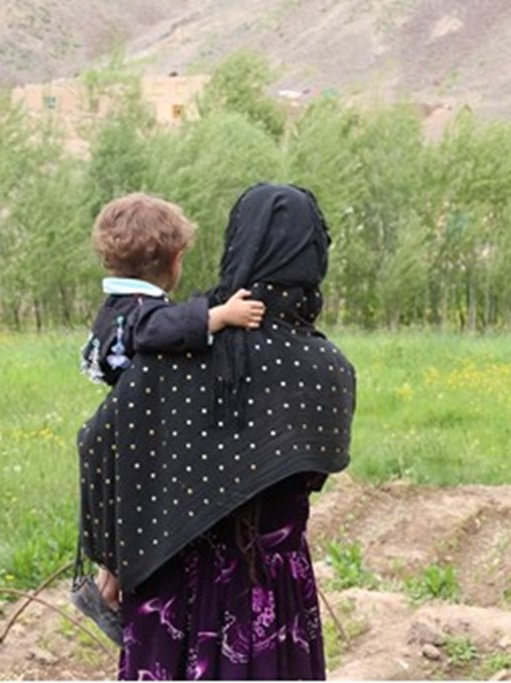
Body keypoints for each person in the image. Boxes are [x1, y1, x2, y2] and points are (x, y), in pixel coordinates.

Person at [76, 183, 356, 679]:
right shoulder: (330, 369)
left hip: (169, 578)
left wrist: (113, 559)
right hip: (274, 593)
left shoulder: (175, 353)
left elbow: (102, 443)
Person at [73, 192, 266, 645]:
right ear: (175, 259)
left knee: (120, 518)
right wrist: (219, 316)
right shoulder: (141, 311)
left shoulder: (121, 305)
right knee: (135, 519)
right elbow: (162, 329)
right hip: (133, 434)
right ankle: (111, 596)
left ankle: (109, 590)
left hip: (117, 431)